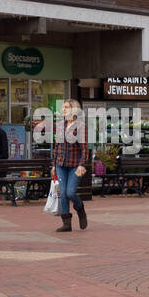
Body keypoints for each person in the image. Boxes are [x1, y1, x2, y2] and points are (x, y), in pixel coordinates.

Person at [51, 97, 90, 232]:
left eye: (66, 107)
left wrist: (81, 165)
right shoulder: (60, 125)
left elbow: (84, 149)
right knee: (62, 193)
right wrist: (54, 165)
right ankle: (66, 223)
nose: (63, 109)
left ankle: (80, 209)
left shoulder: (80, 126)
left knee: (70, 192)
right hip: (61, 164)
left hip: (75, 165)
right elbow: (57, 147)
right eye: (63, 107)